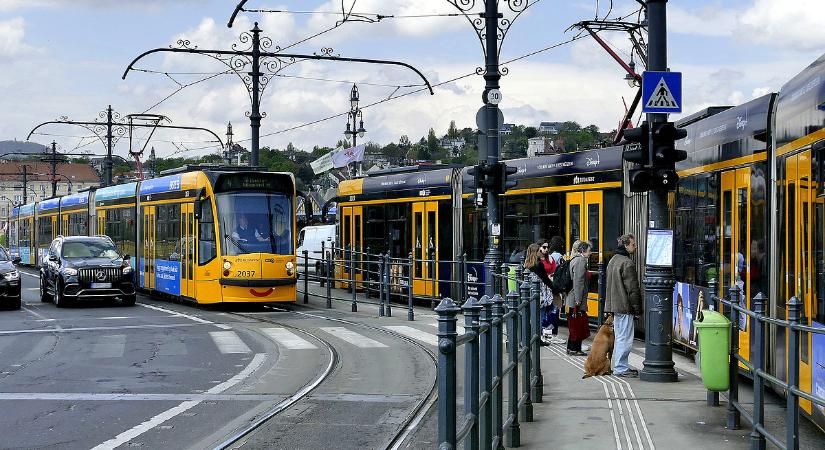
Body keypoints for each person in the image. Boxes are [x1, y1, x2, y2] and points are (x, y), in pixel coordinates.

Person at [605, 233, 642, 377]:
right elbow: (632, 289)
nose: (635, 246)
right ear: (626, 245)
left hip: (615, 305)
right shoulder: (627, 263)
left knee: (620, 336)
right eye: (633, 244)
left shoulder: (613, 260)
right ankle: (621, 368)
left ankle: (620, 366)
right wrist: (637, 309)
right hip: (624, 306)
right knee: (625, 338)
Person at [565, 239, 592, 356]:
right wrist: (578, 300)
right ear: (583, 250)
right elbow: (579, 282)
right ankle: (575, 349)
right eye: (589, 251)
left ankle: (571, 348)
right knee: (578, 325)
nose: (590, 253)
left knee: (573, 326)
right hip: (576, 300)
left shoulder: (574, 260)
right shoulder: (581, 261)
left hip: (571, 299)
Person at [523, 243, 552, 347]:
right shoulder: (539, 264)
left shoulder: (526, 264)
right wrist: (555, 288)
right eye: (540, 251)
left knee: (532, 316)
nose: (541, 252)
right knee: (540, 316)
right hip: (540, 294)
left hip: (530, 293)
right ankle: (537, 338)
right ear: (536, 252)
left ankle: (529, 337)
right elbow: (545, 279)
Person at [544, 236, 566, 344]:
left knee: (549, 309)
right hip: (556, 286)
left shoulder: (550, 256)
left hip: (548, 286)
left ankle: (547, 331)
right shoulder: (559, 257)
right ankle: (553, 334)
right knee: (556, 309)